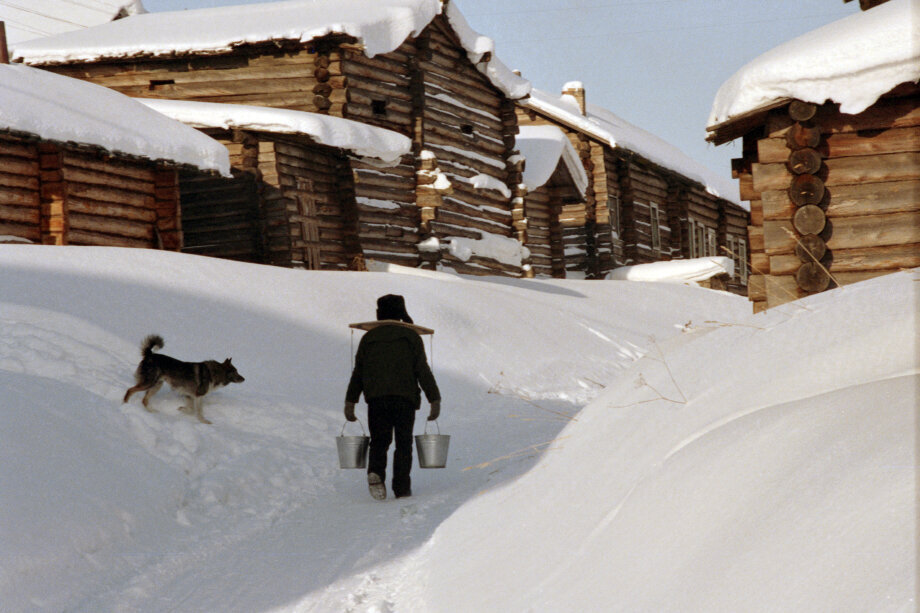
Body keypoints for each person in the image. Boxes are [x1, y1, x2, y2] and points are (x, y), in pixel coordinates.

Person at [345, 294, 441, 500]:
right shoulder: (411, 337)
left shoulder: (368, 338)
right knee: (403, 443)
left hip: (376, 398)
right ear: (401, 313)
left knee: (379, 440)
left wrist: (350, 401)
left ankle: (376, 471)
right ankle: (402, 487)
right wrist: (434, 399)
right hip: (404, 399)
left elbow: (359, 372)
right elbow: (422, 370)